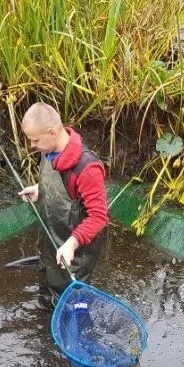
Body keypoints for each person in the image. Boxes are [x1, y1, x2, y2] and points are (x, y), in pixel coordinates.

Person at [18, 102, 108, 309]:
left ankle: (77, 328)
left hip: (76, 248)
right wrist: (41, 191)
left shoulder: (88, 168)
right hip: (50, 238)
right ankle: (47, 316)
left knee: (74, 300)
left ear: (51, 133)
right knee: (48, 282)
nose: (32, 146)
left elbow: (99, 217)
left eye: (35, 140)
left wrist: (71, 243)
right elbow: (62, 188)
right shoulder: (48, 150)